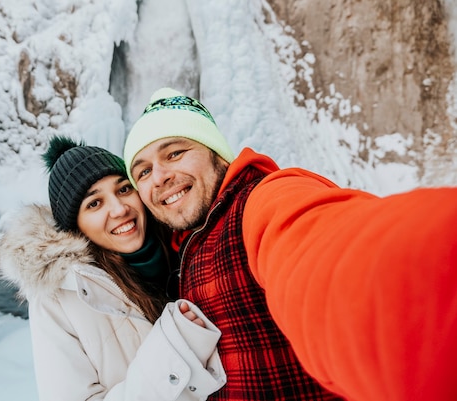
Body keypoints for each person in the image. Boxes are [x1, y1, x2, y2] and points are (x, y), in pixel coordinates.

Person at [123, 87, 457, 401]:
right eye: (143, 172)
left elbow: (329, 256)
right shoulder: (181, 252)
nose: (159, 177)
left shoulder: (261, 200)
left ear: (217, 156)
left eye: (176, 153)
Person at [0, 135, 226, 401]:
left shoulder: (187, 243)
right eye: (94, 203)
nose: (119, 209)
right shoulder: (59, 297)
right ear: (74, 228)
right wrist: (175, 349)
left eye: (124, 189)